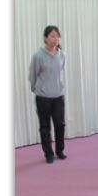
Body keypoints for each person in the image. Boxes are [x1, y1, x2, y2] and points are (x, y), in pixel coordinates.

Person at [29, 25, 67, 164]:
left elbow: (59, 73)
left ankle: (60, 151)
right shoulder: (38, 56)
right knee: (45, 127)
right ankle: (48, 154)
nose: (55, 39)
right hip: (43, 97)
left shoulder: (62, 55)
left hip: (58, 96)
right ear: (45, 38)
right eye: (52, 36)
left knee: (60, 125)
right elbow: (32, 76)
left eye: (57, 36)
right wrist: (37, 90)